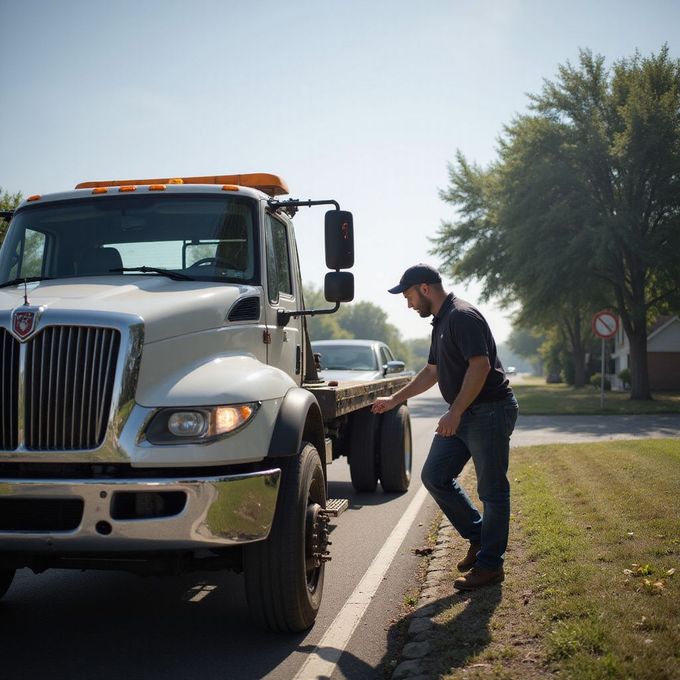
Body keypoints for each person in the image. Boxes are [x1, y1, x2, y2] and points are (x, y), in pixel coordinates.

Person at [372, 264, 518, 590]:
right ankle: (480, 538)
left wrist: (455, 412)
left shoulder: (462, 316)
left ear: (425, 289)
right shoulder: (441, 322)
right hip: (465, 413)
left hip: (489, 412)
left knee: (492, 491)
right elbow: (431, 371)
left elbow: (479, 367)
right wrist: (395, 399)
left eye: (408, 296)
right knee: (434, 476)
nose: (408, 304)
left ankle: (490, 566)